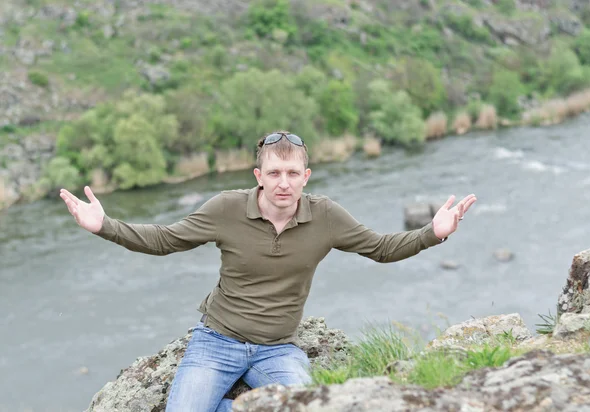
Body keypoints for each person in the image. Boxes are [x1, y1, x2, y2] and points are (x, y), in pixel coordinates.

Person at [59, 131, 476, 412]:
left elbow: (381, 249)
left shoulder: (326, 216)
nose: (283, 183)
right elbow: (165, 239)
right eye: (274, 173)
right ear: (259, 176)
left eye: (292, 174)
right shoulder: (226, 208)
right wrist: (104, 226)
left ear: (305, 177)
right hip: (216, 341)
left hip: (278, 348)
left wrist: (432, 233)